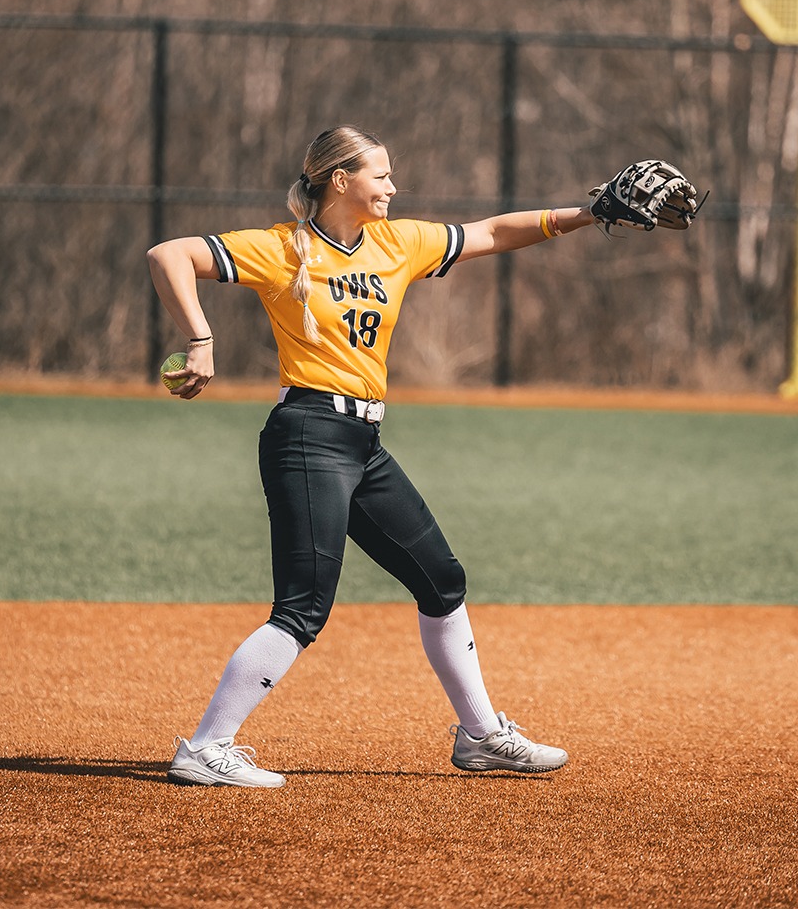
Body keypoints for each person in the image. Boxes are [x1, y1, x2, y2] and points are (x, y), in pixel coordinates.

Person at [146, 125, 676, 787]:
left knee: (442, 581)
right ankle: (206, 746)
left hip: (362, 445)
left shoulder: (398, 244)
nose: (393, 187)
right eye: (381, 175)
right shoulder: (285, 249)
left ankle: (482, 737)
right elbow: (169, 254)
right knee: (304, 608)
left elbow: (489, 234)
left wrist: (588, 212)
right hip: (307, 436)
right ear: (340, 180)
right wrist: (200, 337)